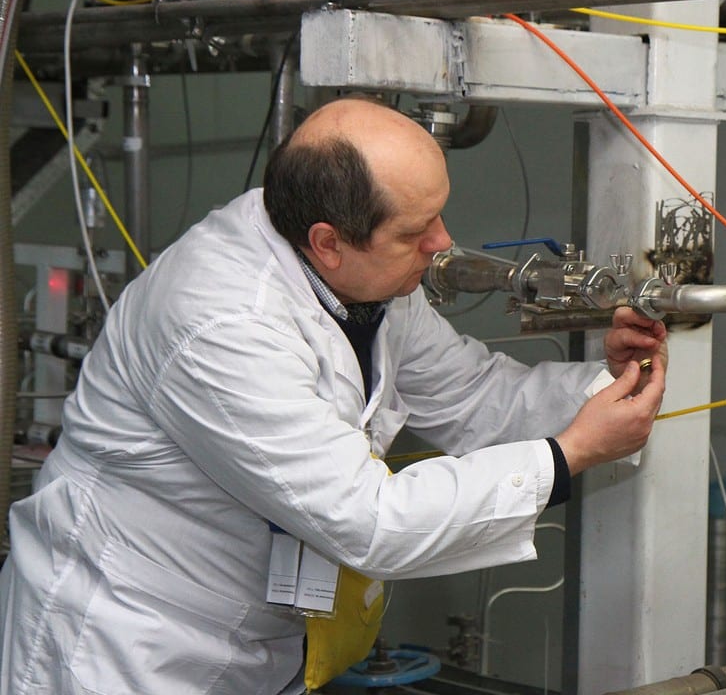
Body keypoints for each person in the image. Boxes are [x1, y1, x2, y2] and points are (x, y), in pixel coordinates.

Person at [0, 97, 667, 694]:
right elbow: (367, 521)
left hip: (255, 639)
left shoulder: (364, 278)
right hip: (128, 644)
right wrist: (569, 454)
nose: (441, 245)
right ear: (328, 243)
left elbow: (472, 395)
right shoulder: (222, 321)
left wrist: (605, 386)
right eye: (416, 232)